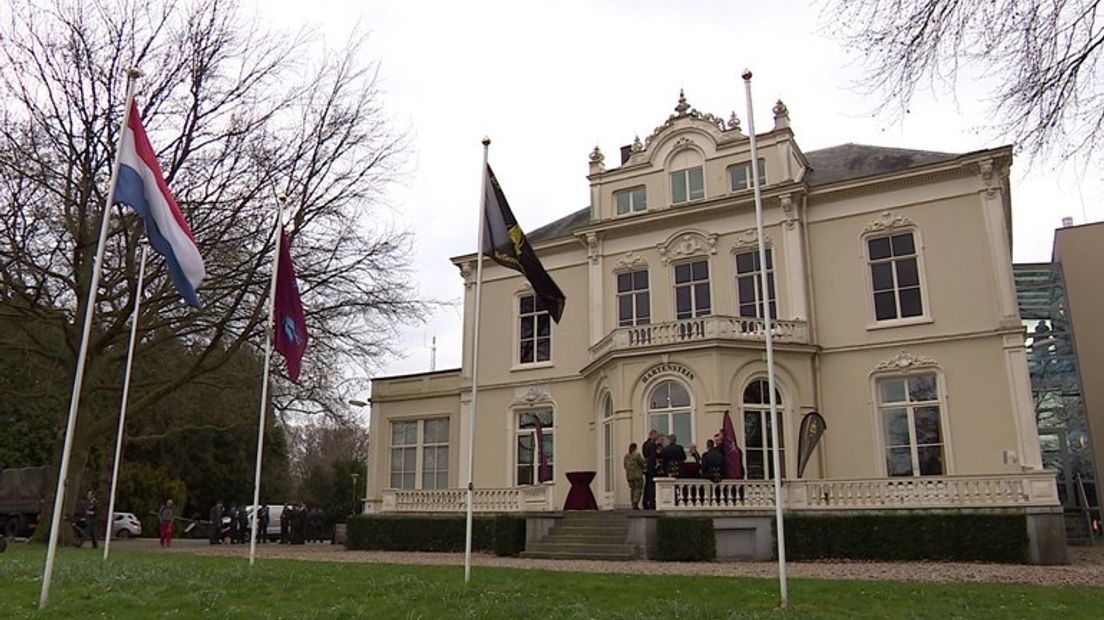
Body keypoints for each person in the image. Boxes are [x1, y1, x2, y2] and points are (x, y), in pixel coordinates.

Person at [623, 442, 645, 510]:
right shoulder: (637, 455)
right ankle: (635, 502)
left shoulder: (626, 457)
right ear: (635, 448)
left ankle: (632, 503)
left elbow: (625, 466)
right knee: (638, 489)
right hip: (637, 475)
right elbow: (642, 463)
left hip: (629, 476)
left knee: (632, 489)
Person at [641, 429, 658, 510]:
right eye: (656, 435)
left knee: (647, 485)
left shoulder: (645, 444)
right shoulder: (652, 444)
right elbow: (653, 456)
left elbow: (645, 454)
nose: (657, 437)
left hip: (646, 467)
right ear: (652, 435)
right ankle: (651, 502)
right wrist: (655, 465)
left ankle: (645, 502)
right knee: (651, 485)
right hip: (651, 468)